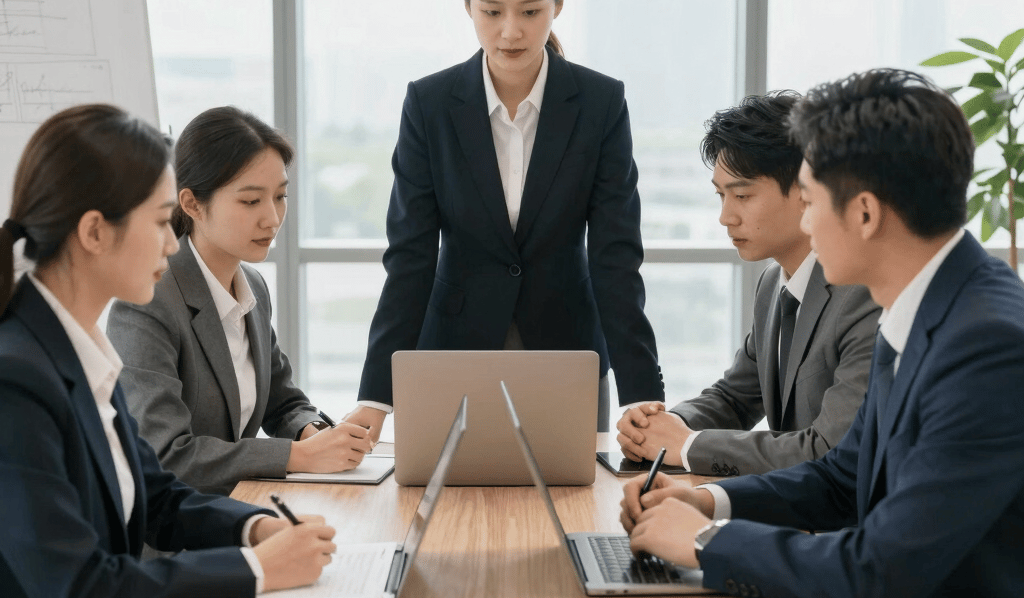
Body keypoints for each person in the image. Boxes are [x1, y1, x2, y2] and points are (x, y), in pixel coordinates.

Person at [620, 69, 1024, 597]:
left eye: (810, 203)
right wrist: (708, 503)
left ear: (864, 213)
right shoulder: (919, 302)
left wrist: (707, 542)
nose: (806, 226)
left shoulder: (986, 346)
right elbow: (842, 478)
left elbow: (881, 570)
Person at [0, 104, 336, 596]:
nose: (173, 245)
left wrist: (256, 528)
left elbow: (157, 497)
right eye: (161, 222)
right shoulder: (16, 380)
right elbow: (75, 584)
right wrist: (257, 569)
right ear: (94, 232)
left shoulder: (79, 350)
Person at [350, 0, 664, 436]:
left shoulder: (601, 102)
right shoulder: (429, 103)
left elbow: (616, 259)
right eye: (493, 12)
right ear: (469, 7)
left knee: (571, 480)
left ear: (556, 6)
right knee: (448, 480)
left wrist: (642, 395)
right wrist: (374, 398)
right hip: (453, 352)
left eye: (530, 12)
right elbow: (409, 258)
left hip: (566, 353)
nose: (511, 32)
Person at [107, 106, 373, 496]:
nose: (272, 218)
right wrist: (298, 456)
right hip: (177, 525)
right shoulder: (148, 301)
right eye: (250, 201)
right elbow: (166, 456)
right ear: (192, 204)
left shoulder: (253, 287)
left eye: (280, 196)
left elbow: (281, 402)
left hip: (238, 506)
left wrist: (313, 432)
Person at [616, 93, 880, 476]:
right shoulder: (773, 284)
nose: (726, 217)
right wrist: (662, 426)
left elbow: (830, 448)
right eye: (721, 195)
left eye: (742, 195)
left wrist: (685, 445)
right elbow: (735, 399)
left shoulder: (865, 293)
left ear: (808, 191)